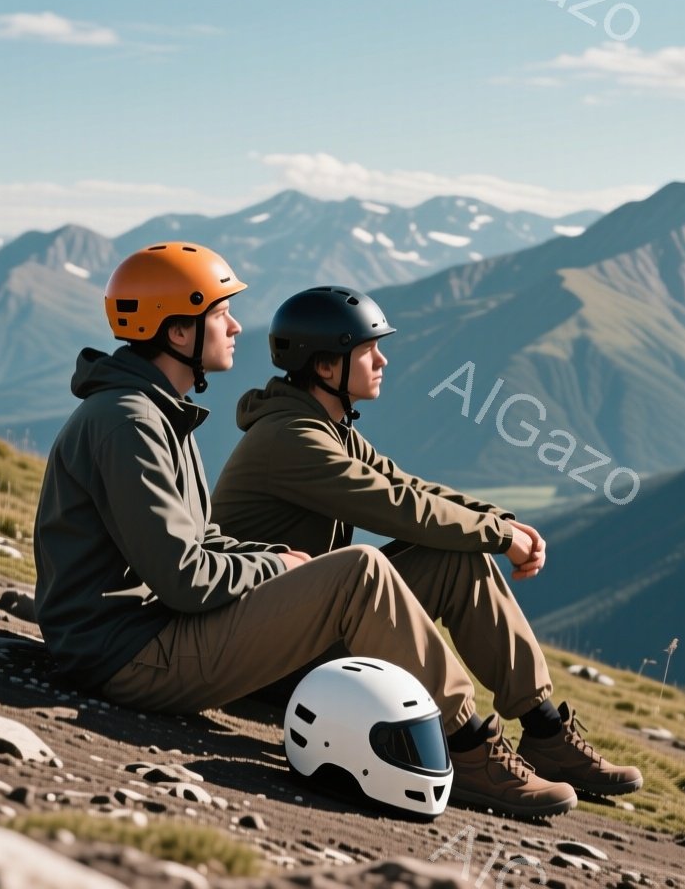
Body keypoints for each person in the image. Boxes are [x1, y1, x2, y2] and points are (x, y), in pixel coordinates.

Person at [33, 245, 578, 819]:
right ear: (176, 330)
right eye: (220, 314)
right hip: (129, 656)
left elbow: (202, 541)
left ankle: (542, 732)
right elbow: (184, 579)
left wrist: (274, 556)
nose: (237, 326)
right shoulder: (131, 422)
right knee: (360, 569)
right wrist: (280, 567)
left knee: (430, 561)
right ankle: (467, 747)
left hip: (156, 636)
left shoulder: (159, 413)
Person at [211, 284, 644, 803]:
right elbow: (401, 509)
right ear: (325, 367)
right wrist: (501, 535)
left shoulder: (326, 428)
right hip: (265, 663)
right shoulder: (291, 440)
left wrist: (502, 522)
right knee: (430, 557)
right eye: (367, 350)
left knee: (456, 558)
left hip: (302, 634)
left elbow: (409, 486)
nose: (382, 359)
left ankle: (545, 731)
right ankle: (466, 747)